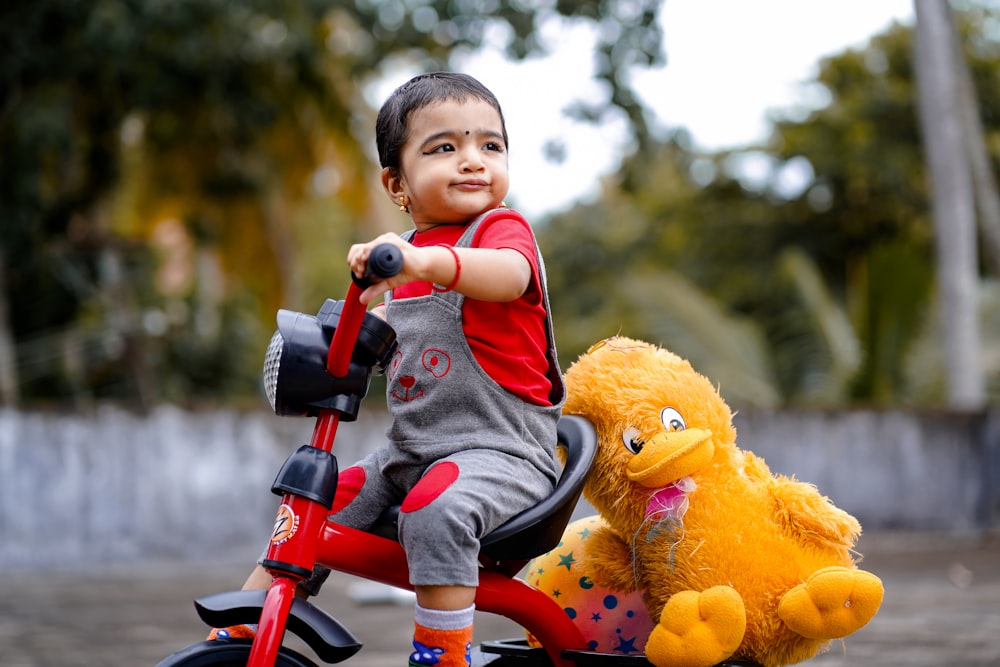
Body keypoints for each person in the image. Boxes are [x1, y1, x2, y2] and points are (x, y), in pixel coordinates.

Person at [211, 72, 565, 667]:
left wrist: (421, 260)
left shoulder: (502, 233)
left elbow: (511, 276)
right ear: (396, 183)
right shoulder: (398, 263)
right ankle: (245, 629)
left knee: (436, 510)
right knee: (313, 502)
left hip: (504, 454)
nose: (473, 161)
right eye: (445, 148)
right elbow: (363, 336)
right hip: (410, 454)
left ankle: (441, 652)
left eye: (491, 145)